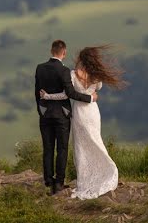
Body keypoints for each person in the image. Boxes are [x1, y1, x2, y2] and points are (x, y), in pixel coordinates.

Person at [39, 44, 126, 199]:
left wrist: (47, 96)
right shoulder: (97, 77)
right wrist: (91, 96)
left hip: (79, 111)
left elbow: (68, 94)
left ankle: (84, 180)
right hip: (92, 111)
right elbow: (96, 89)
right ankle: (106, 170)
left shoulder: (73, 74)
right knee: (95, 140)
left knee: (81, 145)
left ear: (82, 59)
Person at [34, 39, 96, 195]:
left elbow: (36, 92)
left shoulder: (40, 68)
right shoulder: (64, 71)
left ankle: (48, 180)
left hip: (45, 114)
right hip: (62, 115)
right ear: (64, 52)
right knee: (61, 149)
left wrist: (41, 109)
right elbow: (70, 94)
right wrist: (90, 98)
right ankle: (59, 183)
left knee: (48, 148)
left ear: (51, 51)